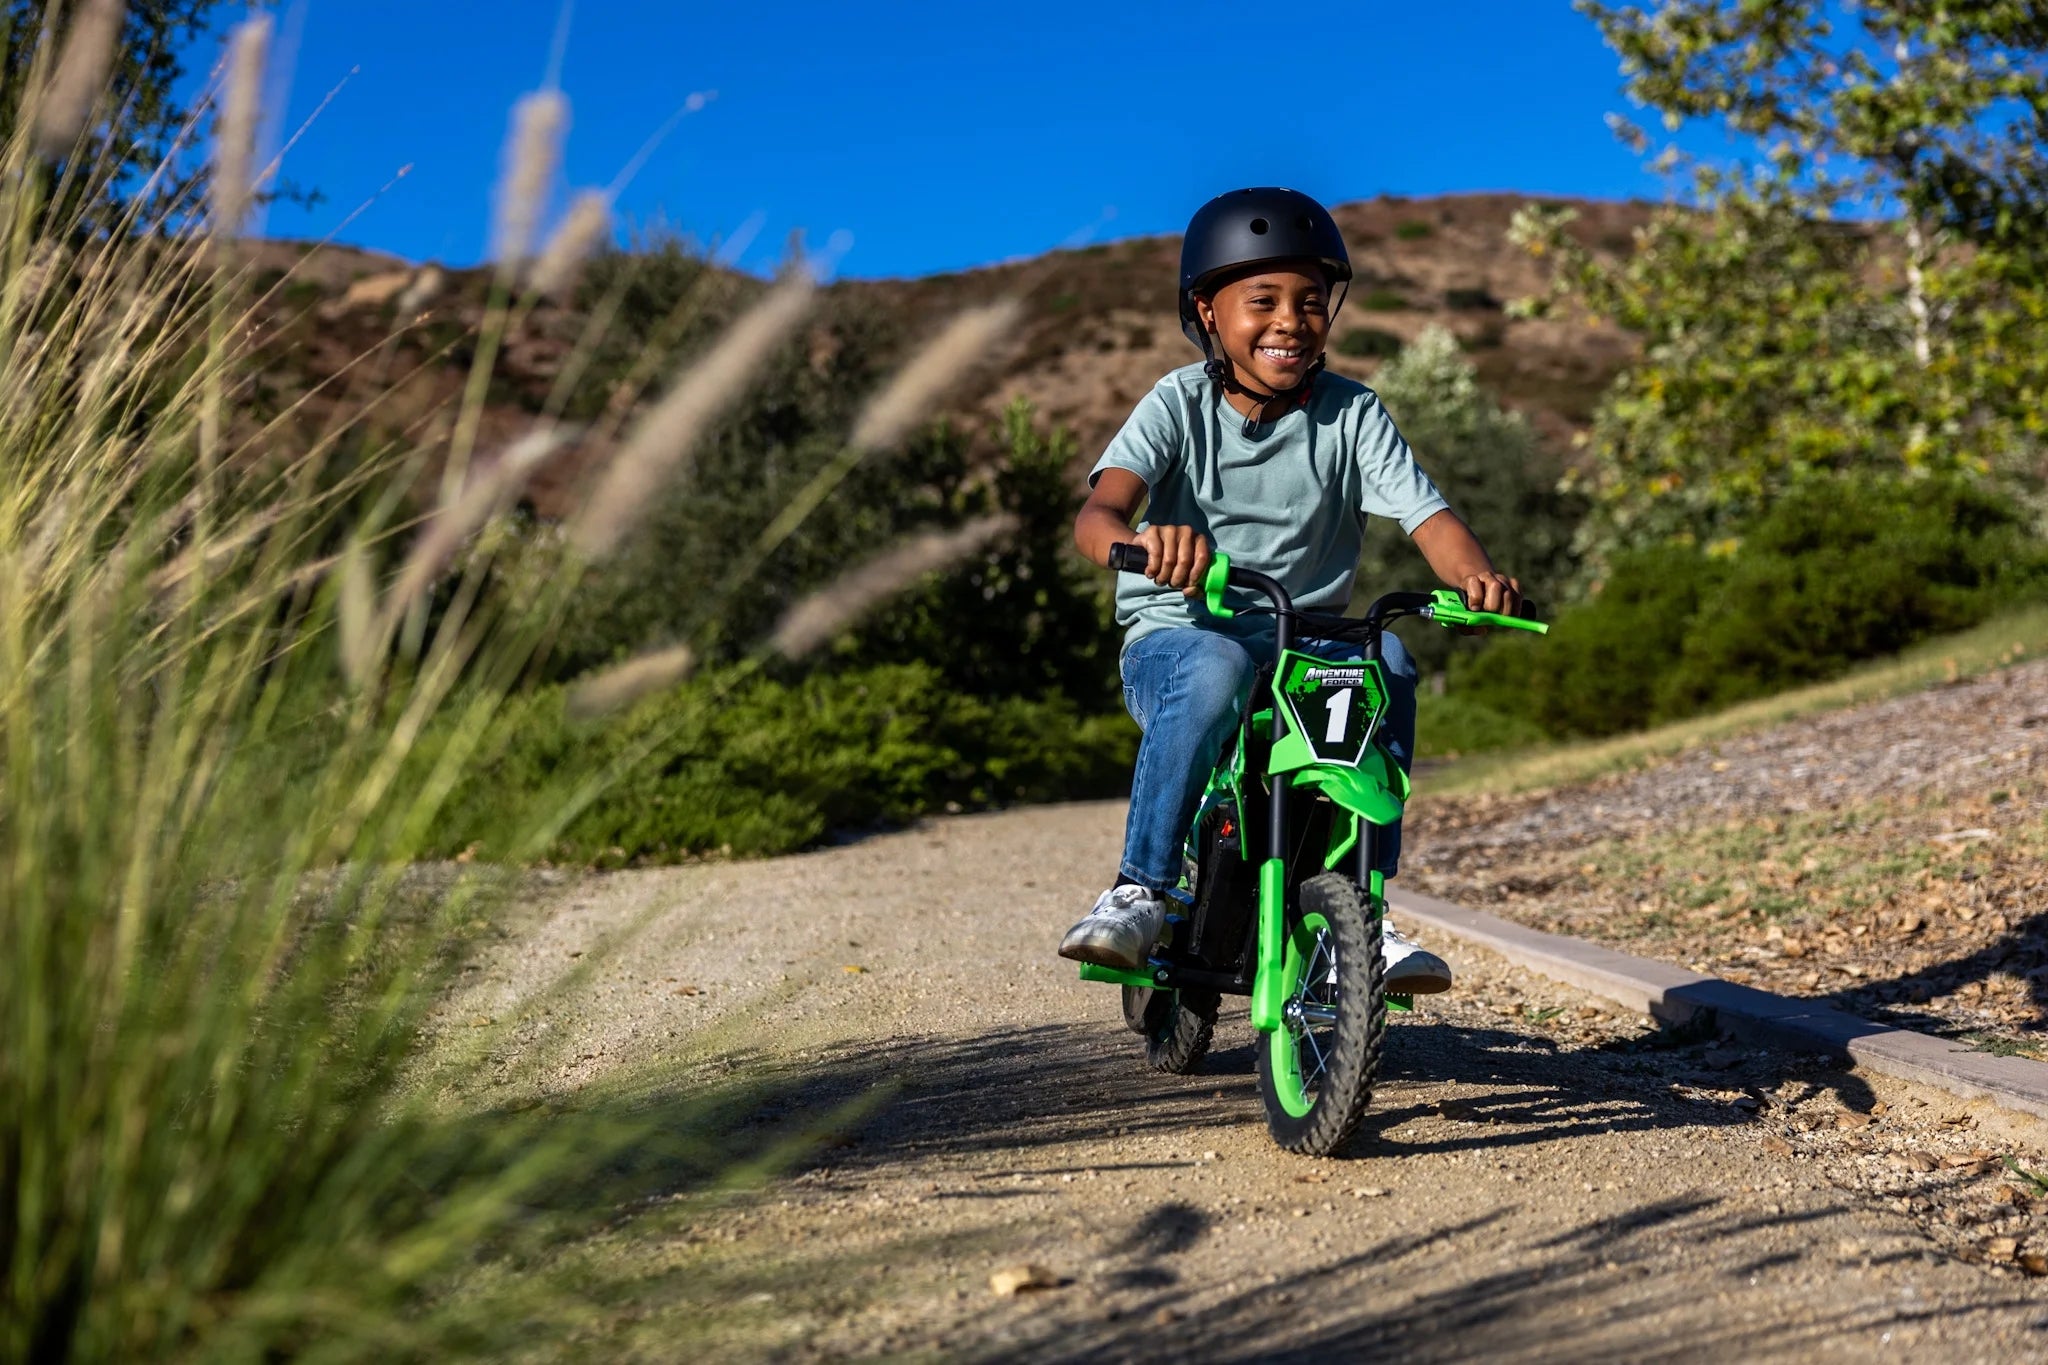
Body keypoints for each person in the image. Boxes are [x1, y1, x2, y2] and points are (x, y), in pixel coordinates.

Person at [1056, 186, 1521, 994]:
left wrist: (1473, 578)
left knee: (1394, 661)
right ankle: (1141, 887)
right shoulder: (1176, 402)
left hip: (1302, 637)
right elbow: (1097, 516)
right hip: (1178, 638)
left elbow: (1429, 517)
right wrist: (1142, 545)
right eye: (1262, 300)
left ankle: (1365, 916)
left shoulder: (1354, 415)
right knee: (1214, 667)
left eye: (1310, 302)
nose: (1290, 320)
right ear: (1207, 310)